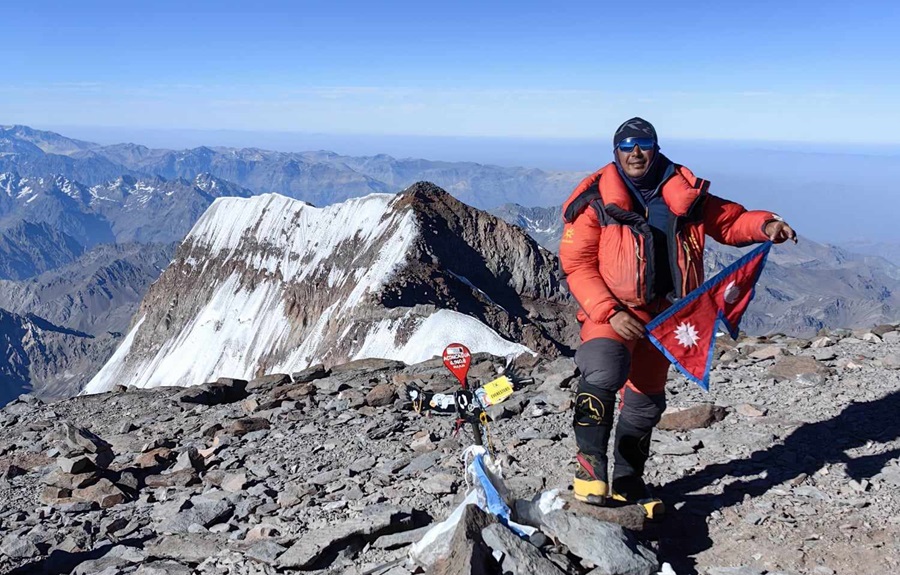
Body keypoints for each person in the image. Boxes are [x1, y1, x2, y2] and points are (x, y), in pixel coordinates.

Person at [559, 117, 796, 518]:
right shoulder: (597, 201)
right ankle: (590, 469)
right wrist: (610, 312)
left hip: (668, 314)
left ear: (655, 147)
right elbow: (577, 265)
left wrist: (765, 224)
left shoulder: (685, 195)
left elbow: (729, 220)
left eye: (644, 144)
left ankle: (629, 482)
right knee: (603, 370)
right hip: (613, 311)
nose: (636, 152)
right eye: (627, 145)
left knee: (646, 401)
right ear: (615, 151)